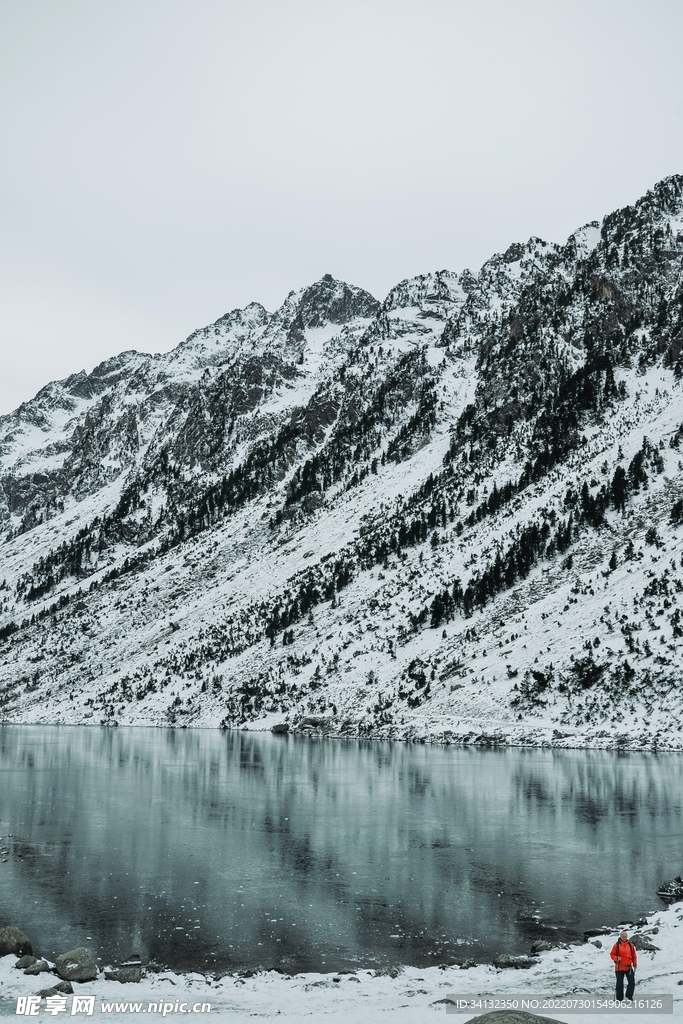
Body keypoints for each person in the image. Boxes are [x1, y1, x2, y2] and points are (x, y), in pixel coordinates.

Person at [610, 930, 637, 1000]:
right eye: (623, 936)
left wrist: (635, 963)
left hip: (628, 967)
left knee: (632, 982)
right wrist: (616, 958)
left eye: (625, 936)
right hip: (619, 967)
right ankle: (619, 999)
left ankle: (629, 996)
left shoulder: (630, 945)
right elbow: (612, 954)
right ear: (620, 936)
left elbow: (634, 955)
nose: (624, 938)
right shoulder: (616, 945)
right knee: (619, 984)